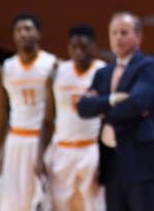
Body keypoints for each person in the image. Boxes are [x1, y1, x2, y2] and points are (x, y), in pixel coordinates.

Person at [77, 12, 154, 211]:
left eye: (124, 32)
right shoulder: (104, 73)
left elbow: (137, 103)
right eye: (114, 33)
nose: (118, 37)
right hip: (112, 164)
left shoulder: (149, 66)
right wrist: (110, 100)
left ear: (139, 36)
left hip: (144, 162)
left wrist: (103, 111)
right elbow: (83, 107)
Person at [0, 13, 57, 210]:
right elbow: (0, 122)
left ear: (39, 34)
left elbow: (53, 116)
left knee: (45, 203)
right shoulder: (5, 70)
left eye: (28, 29)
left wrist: (43, 153)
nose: (23, 34)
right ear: (14, 36)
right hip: (15, 143)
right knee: (13, 204)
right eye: (19, 30)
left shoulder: (52, 65)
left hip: (44, 141)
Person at [35, 24, 106, 210]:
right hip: (62, 150)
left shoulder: (103, 72)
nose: (79, 52)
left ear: (95, 47)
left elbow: (110, 120)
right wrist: (39, 155)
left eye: (84, 47)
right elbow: (48, 119)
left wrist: (107, 158)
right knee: (61, 206)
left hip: (91, 149)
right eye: (74, 47)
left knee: (93, 206)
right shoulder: (58, 72)